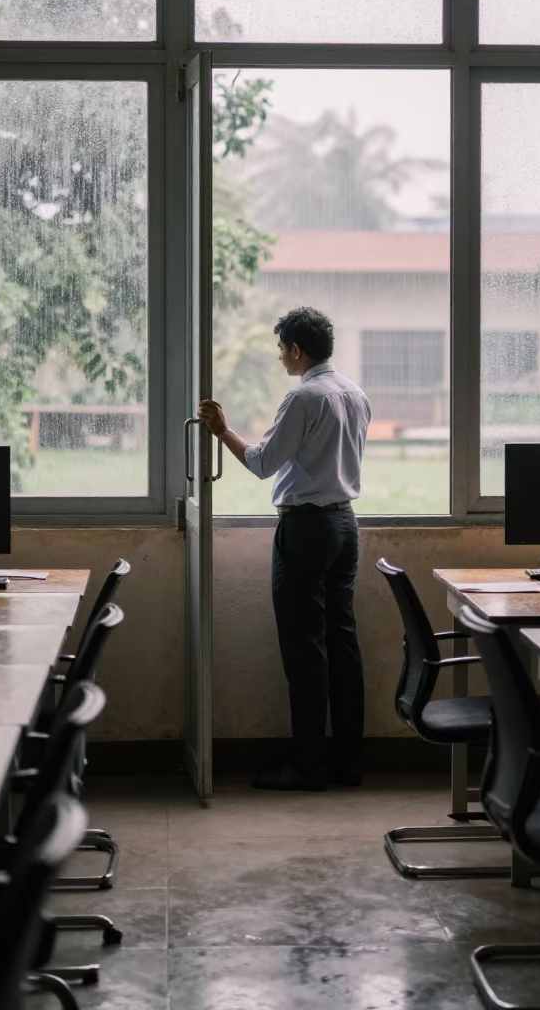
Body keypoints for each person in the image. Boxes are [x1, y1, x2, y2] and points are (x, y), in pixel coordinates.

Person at [198, 306, 371, 791]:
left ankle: (308, 764)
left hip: (307, 529)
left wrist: (221, 431)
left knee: (304, 649)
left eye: (281, 349)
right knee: (342, 644)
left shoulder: (303, 398)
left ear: (296, 349)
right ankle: (348, 761)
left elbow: (261, 462)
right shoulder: (354, 394)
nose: (279, 358)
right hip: (344, 524)